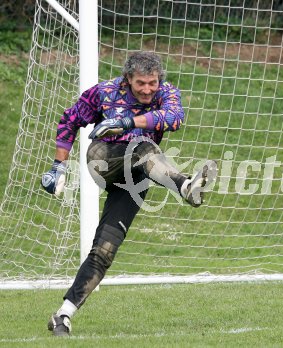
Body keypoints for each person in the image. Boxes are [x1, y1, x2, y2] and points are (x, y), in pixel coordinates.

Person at [41, 51, 217, 336]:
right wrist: (57, 166)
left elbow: (174, 118)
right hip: (102, 158)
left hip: (137, 175)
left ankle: (63, 315)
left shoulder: (167, 93)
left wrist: (126, 123)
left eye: (152, 83)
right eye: (141, 83)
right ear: (128, 80)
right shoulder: (104, 92)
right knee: (142, 147)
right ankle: (185, 186)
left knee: (105, 249)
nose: (148, 89)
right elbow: (70, 119)